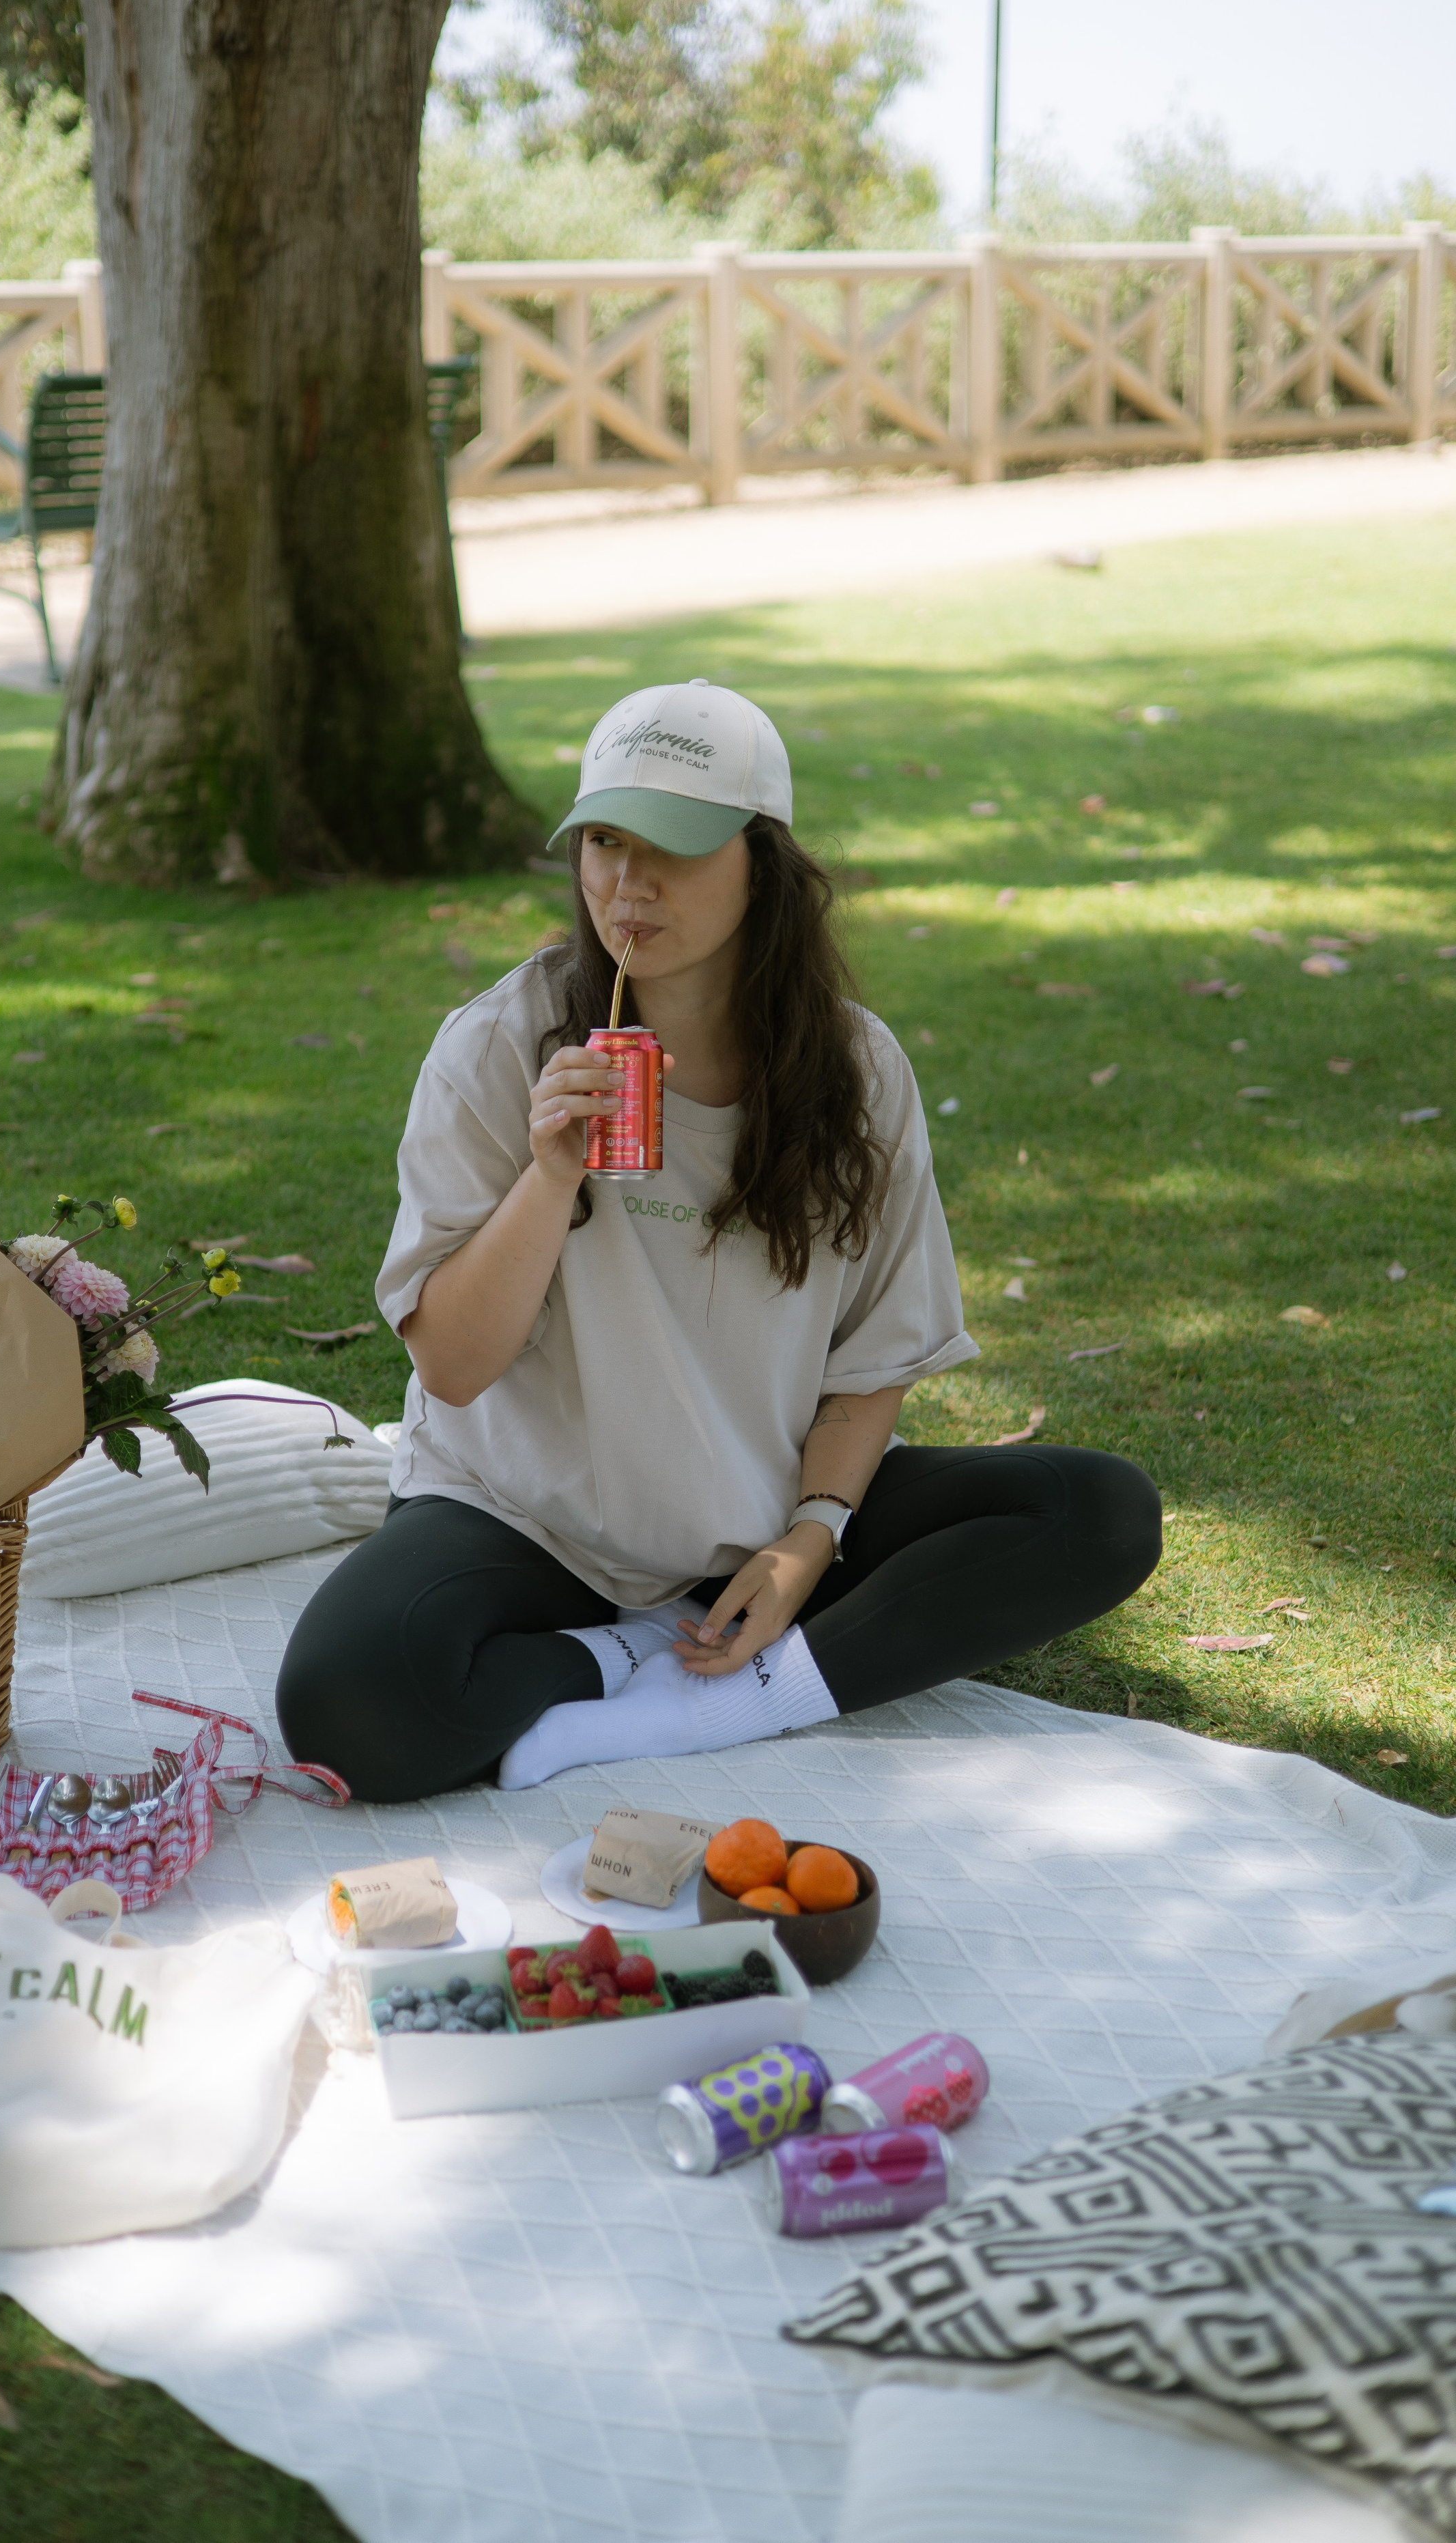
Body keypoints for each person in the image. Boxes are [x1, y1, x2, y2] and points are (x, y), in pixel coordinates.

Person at [276, 680, 1160, 1802]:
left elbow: (871, 1362)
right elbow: (451, 1365)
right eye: (602, 840)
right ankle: (629, 1657)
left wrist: (811, 1538)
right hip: (532, 1525)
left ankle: (740, 1695)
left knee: (1097, 1513)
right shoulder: (497, 1046)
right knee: (344, 1703)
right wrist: (551, 1177)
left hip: (758, 1522)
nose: (625, 884)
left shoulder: (859, 1071)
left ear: (764, 861)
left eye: (673, 848)